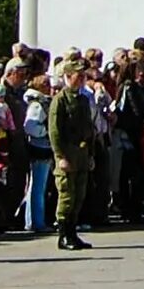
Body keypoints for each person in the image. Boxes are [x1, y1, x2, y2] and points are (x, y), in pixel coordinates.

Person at [46, 64, 95, 252]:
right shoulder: (60, 100)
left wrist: (90, 154)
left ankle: (73, 233)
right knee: (67, 195)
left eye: (83, 76)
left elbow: (89, 129)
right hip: (68, 153)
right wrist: (60, 156)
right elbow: (55, 131)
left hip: (81, 154)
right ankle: (64, 235)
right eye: (78, 75)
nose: (82, 79)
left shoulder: (82, 100)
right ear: (67, 76)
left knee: (79, 195)